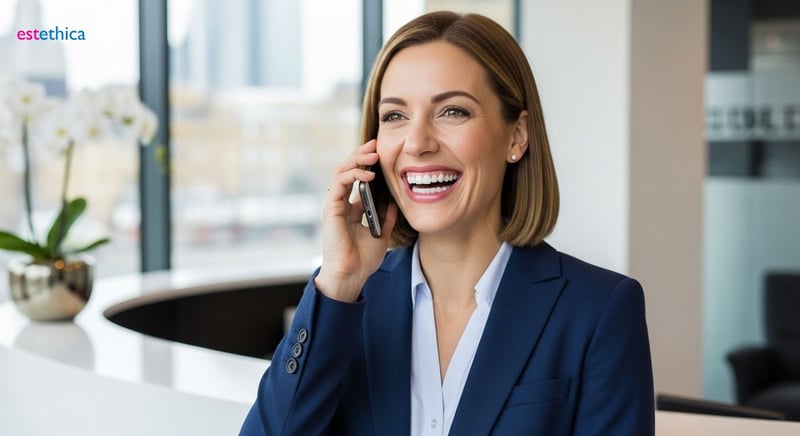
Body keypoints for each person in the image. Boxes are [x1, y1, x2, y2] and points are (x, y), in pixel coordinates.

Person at [240, 10, 654, 436]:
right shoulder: (348, 305)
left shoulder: (598, 311)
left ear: (516, 136)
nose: (417, 143)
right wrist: (340, 283)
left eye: (453, 111)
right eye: (395, 116)